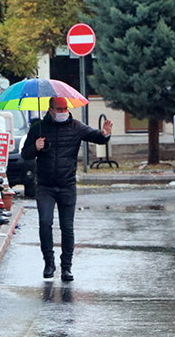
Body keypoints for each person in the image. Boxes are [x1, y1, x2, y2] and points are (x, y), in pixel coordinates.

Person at [21, 97, 112, 281]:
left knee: (67, 227)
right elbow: (25, 154)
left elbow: (94, 136)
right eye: (59, 108)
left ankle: (66, 267)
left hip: (67, 184)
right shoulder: (39, 128)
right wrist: (35, 147)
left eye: (65, 108)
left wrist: (104, 134)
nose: (63, 112)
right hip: (45, 185)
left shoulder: (75, 127)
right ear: (50, 110)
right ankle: (49, 263)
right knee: (45, 223)